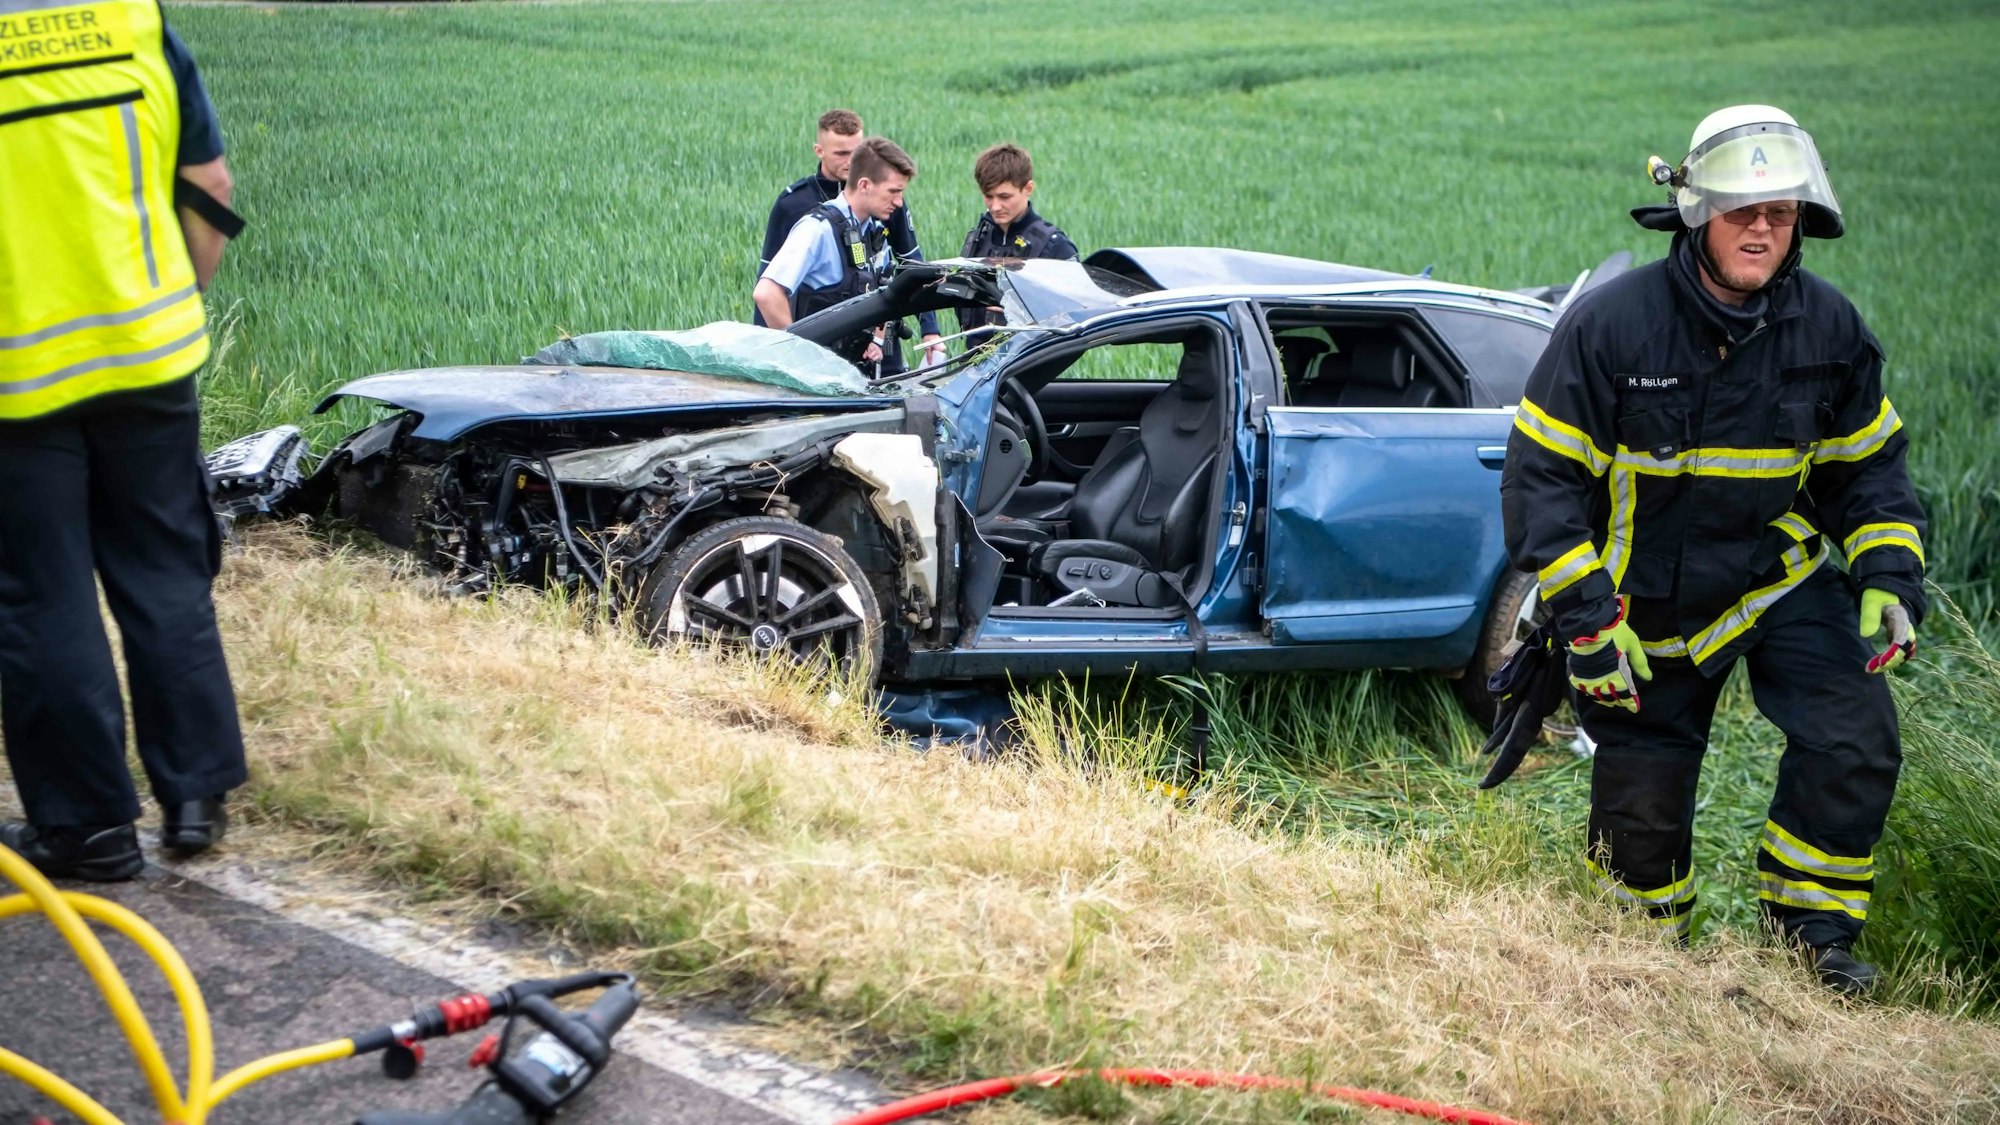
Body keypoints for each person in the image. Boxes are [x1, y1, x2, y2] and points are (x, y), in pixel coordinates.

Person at [1499, 105, 1925, 995]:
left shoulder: (1831, 329)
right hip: (1640, 608)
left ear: (1803, 219)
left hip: (1778, 582)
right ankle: (1642, 964)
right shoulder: (1611, 327)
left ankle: (1810, 941)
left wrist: (1887, 573)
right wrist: (1585, 617)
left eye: (1780, 211)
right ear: (1696, 213)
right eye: (1742, 210)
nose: (1761, 228)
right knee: (1641, 808)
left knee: (1855, 737)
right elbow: (1540, 481)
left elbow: (1868, 472)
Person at [0, 1, 247, 881]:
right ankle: (194, 798)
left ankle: (90, 829)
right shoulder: (134, 25)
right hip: (148, 356)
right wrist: (182, 297)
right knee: (164, 567)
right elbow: (208, 186)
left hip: (15, 383)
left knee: (41, 594)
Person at [757, 109, 943, 368]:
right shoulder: (816, 228)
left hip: (865, 365)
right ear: (865, 185)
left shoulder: (869, 227)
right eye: (893, 192)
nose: (899, 202)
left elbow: (893, 279)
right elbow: (767, 293)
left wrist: (917, 331)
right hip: (824, 379)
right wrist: (797, 360)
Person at [955, 143, 1079, 340]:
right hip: (975, 362)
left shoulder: (1054, 246)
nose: (995, 206)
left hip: (1030, 363)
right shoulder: (977, 240)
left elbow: (1076, 319)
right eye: (989, 197)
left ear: (1027, 188)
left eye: (1004, 197)